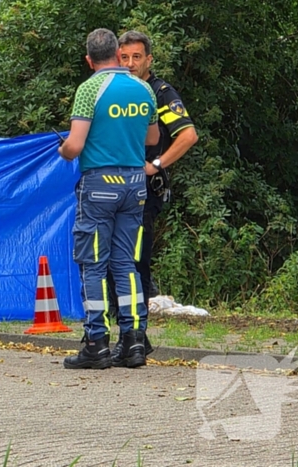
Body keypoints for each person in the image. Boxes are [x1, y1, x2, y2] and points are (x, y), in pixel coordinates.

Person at [59, 29, 159, 370]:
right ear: (118, 54)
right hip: (135, 184)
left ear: (89, 60)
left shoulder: (90, 89)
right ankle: (133, 340)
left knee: (93, 264)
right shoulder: (143, 88)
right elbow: (152, 137)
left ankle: (96, 342)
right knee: (126, 264)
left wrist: (63, 150)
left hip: (99, 184)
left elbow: (74, 145)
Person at [106, 31, 199, 365]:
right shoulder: (116, 90)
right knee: (112, 263)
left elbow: (188, 135)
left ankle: (134, 337)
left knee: (134, 263)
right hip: (113, 187)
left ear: (149, 60)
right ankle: (131, 335)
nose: (130, 64)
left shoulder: (160, 93)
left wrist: (156, 164)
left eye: (137, 57)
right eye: (125, 57)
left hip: (144, 191)